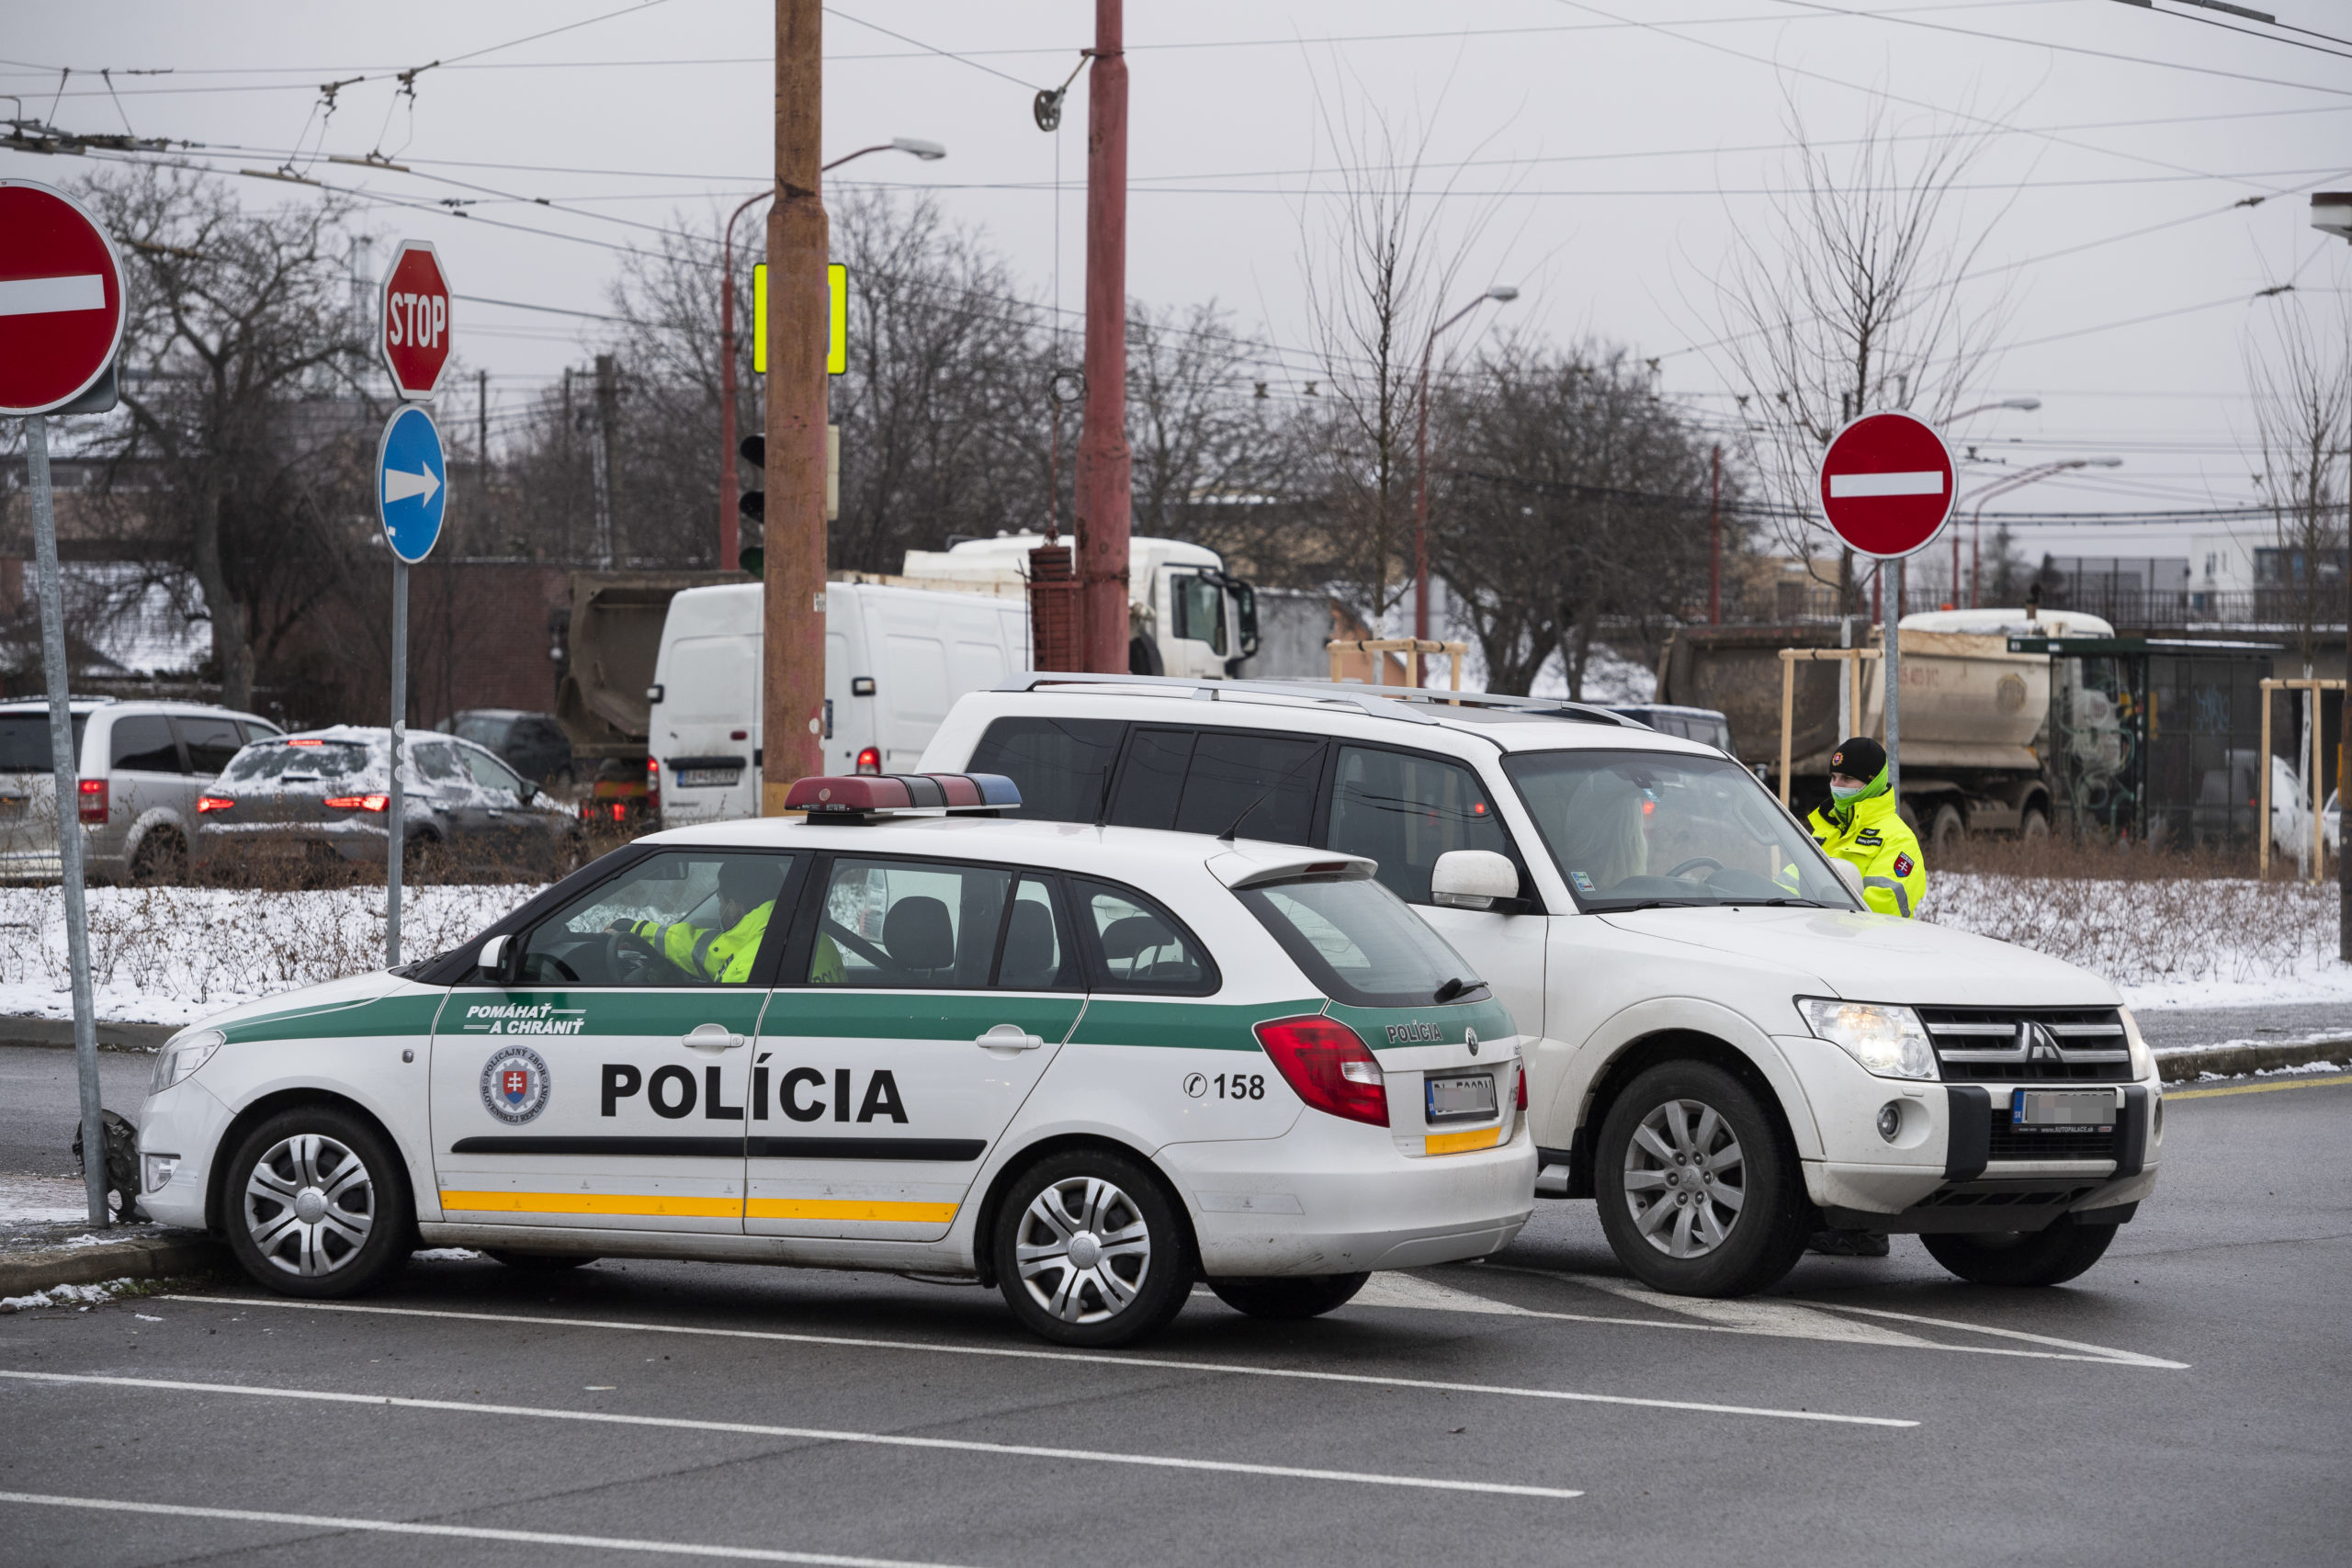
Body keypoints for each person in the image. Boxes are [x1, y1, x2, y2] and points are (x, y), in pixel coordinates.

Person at [1805, 736, 1926, 919]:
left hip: (1865, 943)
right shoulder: (1825, 829)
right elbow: (1790, 883)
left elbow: (1884, 907)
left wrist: (1823, 921)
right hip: (1812, 936)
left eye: (1847, 778)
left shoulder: (1899, 839)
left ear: (1873, 783)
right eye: (1833, 777)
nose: (1836, 786)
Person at [614, 860, 778, 983]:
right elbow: (700, 949)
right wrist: (636, 929)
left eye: (720, 902)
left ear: (734, 907)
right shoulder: (761, 936)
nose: (720, 909)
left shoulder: (744, 970)